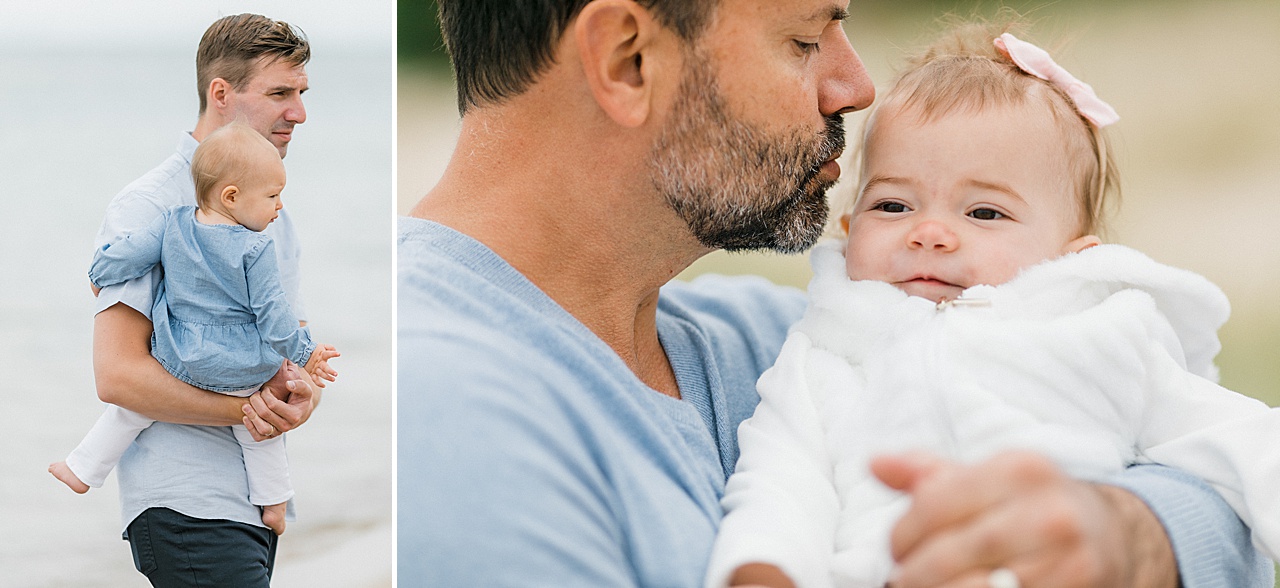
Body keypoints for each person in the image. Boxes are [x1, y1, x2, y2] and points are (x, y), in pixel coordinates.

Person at [398, 2, 1270, 586]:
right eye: (807, 38)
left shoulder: (806, 330)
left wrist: (1129, 535)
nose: (857, 87)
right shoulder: (446, 422)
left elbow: (1212, 473)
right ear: (628, 59)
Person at [705, 20, 1280, 588]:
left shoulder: (1101, 335)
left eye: (983, 213)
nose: (929, 232)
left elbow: (1245, 443)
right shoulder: (823, 354)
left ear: (1070, 258)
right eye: (892, 206)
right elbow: (784, 475)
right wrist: (764, 564)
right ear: (848, 230)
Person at [82, 14, 320, 587]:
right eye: (280, 93)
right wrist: (249, 411)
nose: (299, 113)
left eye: (302, 94)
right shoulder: (149, 206)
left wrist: (301, 397)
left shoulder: (268, 210)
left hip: (251, 503)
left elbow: (277, 355)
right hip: (185, 504)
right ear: (221, 94)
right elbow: (117, 378)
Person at [50, 123, 340, 536]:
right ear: (232, 196)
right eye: (273, 196)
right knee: (259, 430)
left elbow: (127, 256)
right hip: (239, 366)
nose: (279, 206)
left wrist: (100, 275)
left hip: (179, 356)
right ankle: (274, 505)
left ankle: (81, 468)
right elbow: (275, 317)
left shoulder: (171, 223)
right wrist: (306, 350)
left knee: (131, 412)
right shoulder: (256, 248)